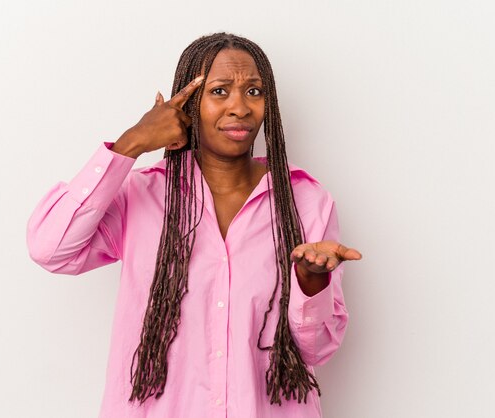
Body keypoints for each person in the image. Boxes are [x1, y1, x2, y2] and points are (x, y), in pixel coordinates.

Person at [27, 32, 361, 418]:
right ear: (187, 104)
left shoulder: (304, 202)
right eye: (220, 91)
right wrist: (131, 143)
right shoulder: (143, 194)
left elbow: (316, 349)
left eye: (254, 92)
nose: (240, 107)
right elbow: (50, 249)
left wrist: (310, 281)